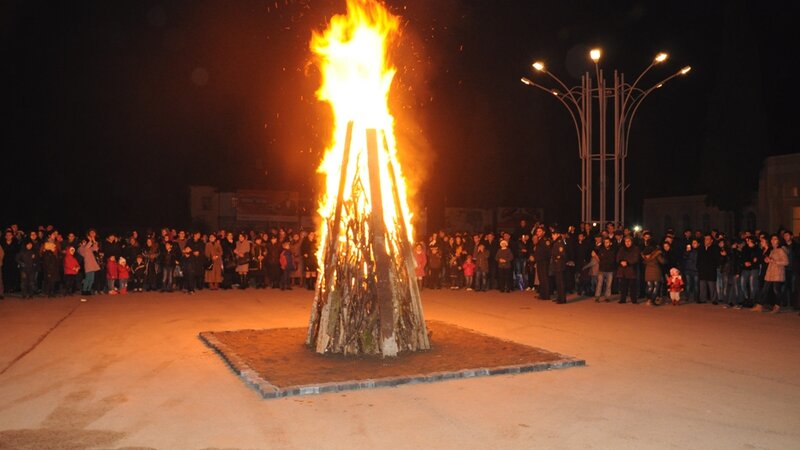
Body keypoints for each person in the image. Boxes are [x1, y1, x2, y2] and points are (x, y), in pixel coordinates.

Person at [752, 234, 789, 313]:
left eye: (775, 239)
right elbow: (770, 260)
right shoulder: (772, 250)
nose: (773, 240)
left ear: (778, 241)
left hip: (777, 273)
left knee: (776, 290)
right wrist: (768, 260)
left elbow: (786, 262)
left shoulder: (781, 250)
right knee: (765, 289)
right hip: (770, 272)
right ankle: (760, 305)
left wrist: (774, 261)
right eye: (772, 239)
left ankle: (777, 306)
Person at [616, 236, 641, 304]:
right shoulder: (622, 249)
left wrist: (627, 262)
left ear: (631, 242)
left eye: (629, 241)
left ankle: (634, 300)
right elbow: (618, 257)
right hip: (622, 270)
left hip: (631, 270)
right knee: (623, 286)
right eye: (626, 241)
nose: (627, 243)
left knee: (633, 286)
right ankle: (623, 299)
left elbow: (636, 258)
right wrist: (621, 261)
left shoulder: (636, 249)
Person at [697, 234, 720, 304]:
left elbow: (716, 259)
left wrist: (714, 266)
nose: (706, 240)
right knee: (702, 285)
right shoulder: (701, 248)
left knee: (712, 285)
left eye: (707, 239)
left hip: (711, 269)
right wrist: (698, 266)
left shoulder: (715, 248)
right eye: (705, 239)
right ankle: (702, 299)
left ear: (711, 240)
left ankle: (714, 299)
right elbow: (698, 259)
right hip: (702, 269)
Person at [641, 241, 665, 306]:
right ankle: (653, 299)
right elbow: (663, 261)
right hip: (656, 271)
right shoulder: (656, 253)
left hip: (648, 271)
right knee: (656, 286)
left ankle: (648, 298)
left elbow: (643, 262)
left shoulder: (645, 253)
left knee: (649, 286)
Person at [78, 231, 101, 295]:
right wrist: (90, 241)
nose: (84, 243)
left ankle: (88, 290)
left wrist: (94, 241)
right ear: (80, 243)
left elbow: (95, 248)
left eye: (85, 242)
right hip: (88, 265)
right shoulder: (80, 249)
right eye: (83, 242)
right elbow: (85, 249)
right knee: (87, 278)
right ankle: (84, 290)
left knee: (92, 279)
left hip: (92, 264)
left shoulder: (88, 248)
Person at [594, 237, 616, 302]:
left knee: (609, 284)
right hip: (602, 269)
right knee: (599, 284)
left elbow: (613, 260)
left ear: (610, 243)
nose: (606, 243)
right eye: (605, 242)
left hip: (610, 269)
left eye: (607, 242)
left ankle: (607, 297)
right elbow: (598, 259)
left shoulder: (613, 251)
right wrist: (596, 257)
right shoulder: (601, 250)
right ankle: (597, 297)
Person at [533, 226, 551, 299]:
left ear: (543, 232)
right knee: (541, 278)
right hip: (539, 261)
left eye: (539, 231)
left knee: (544, 278)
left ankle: (546, 295)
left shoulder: (545, 240)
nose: (538, 233)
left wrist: (542, 258)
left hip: (544, 261)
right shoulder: (539, 240)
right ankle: (542, 294)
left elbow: (548, 252)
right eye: (537, 231)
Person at [550, 229, 567, 304]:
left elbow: (561, 254)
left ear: (557, 235)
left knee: (560, 283)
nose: (552, 236)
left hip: (559, 265)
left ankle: (562, 299)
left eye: (553, 235)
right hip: (557, 265)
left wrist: (557, 259)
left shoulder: (559, 242)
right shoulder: (556, 242)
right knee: (558, 282)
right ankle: (559, 297)